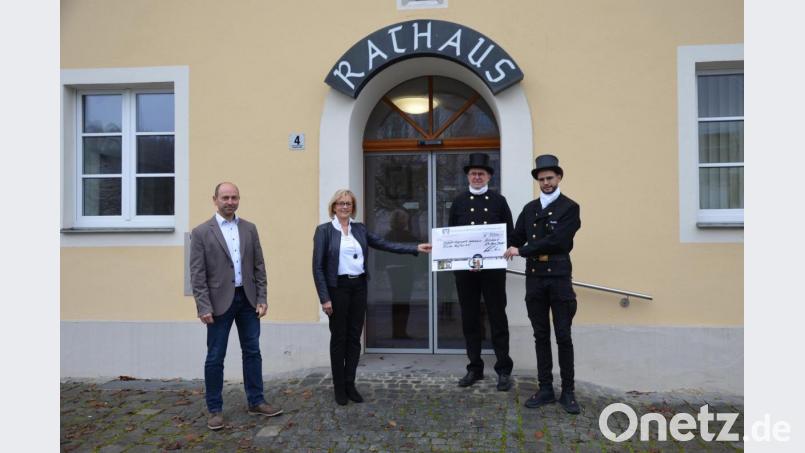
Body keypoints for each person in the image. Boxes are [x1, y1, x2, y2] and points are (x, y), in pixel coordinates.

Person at [312, 189, 432, 405]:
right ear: (333, 207)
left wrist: (414, 247)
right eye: (341, 203)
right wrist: (324, 298)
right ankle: (339, 388)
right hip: (337, 288)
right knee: (339, 338)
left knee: (355, 338)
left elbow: (385, 244)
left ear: (353, 207)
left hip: (358, 287)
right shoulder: (324, 231)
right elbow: (318, 267)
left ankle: (350, 384)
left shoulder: (359, 229)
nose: (345, 207)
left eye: (348, 203)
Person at [189, 182, 283, 430]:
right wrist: (203, 306)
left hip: (248, 300)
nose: (230, 202)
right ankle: (215, 409)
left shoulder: (249, 229)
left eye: (234, 197)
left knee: (252, 352)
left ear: (239, 199)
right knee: (215, 356)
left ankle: (256, 401)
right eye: (225, 197)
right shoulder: (201, 232)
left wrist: (262, 297)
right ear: (215, 200)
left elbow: (259, 266)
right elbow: (197, 274)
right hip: (218, 304)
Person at [504, 154, 582, 414]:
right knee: (540, 336)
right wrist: (490, 242)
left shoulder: (570, 208)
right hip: (535, 278)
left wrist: (522, 250)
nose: (546, 182)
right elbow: (515, 236)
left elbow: (558, 241)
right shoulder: (529, 209)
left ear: (559, 178)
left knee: (563, 336)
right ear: (537, 180)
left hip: (558, 276)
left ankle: (568, 391)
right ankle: (545, 388)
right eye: (542, 179)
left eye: (550, 178)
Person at [448, 153, 515, 391]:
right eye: (473, 173)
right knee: (470, 318)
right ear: (468, 176)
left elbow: (510, 232)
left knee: (498, 317)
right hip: (466, 272)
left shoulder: (499, 201)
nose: (477, 176)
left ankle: (504, 370)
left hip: (493, 270)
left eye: (482, 173)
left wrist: (508, 248)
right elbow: (450, 235)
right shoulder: (458, 202)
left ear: (489, 176)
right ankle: (474, 368)